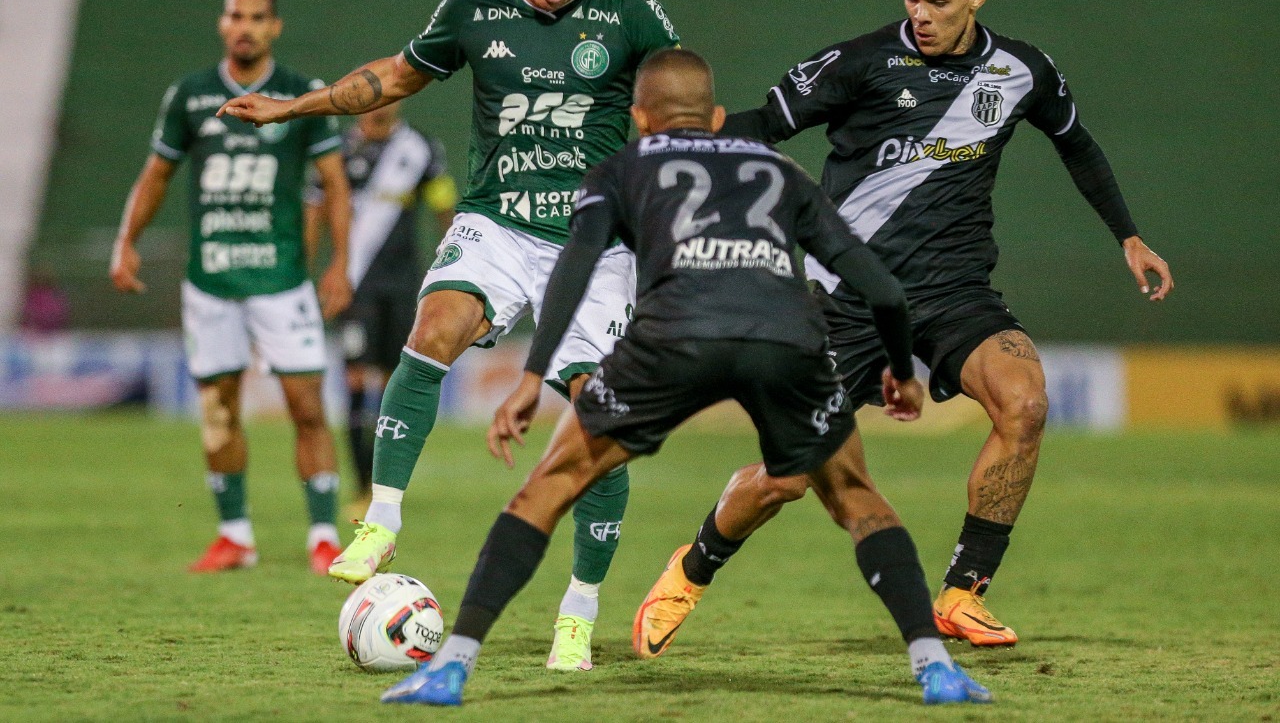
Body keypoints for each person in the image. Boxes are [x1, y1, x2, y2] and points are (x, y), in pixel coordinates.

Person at [380, 49, 992, 707]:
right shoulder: (780, 170)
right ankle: (935, 668)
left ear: (639, 118)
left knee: (550, 484)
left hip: (673, 339)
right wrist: (901, 371)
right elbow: (883, 290)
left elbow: (574, 270)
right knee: (855, 494)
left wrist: (533, 375)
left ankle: (451, 667)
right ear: (719, 118)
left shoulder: (617, 168)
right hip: (783, 337)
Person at [652, 0, 1175, 648]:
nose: (921, 14)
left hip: (956, 290)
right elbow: (765, 124)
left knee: (1024, 402)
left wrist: (1129, 235)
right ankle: (692, 567)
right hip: (847, 296)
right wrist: (682, 142)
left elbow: (1075, 144)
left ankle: (963, 592)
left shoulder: (1021, 71)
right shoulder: (861, 63)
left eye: (938, 0)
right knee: (790, 477)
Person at [217, 0, 680, 670]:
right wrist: (294, 108)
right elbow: (394, 78)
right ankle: (383, 517)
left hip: (595, 238)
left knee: (599, 421)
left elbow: (680, 102)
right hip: (496, 219)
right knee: (430, 334)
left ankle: (579, 609)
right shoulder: (473, 9)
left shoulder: (633, 13)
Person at [110, 0, 353, 575]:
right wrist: (126, 241)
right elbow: (157, 175)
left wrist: (341, 263)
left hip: (282, 279)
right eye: (235, 16)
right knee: (218, 409)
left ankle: (323, 535)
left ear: (275, 28)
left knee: (307, 408)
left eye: (257, 18)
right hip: (211, 280)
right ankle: (236, 536)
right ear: (222, 24)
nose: (245, 26)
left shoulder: (303, 93)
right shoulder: (190, 95)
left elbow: (335, 182)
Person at [304, 102, 456, 514]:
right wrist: (306, 270)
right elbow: (314, 210)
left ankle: (386, 489)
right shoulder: (336, 151)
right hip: (354, 284)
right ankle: (360, 488)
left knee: (395, 385)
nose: (381, 104)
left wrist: (457, 263)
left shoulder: (421, 148)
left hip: (404, 284)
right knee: (355, 381)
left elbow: (446, 207)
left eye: (389, 95)